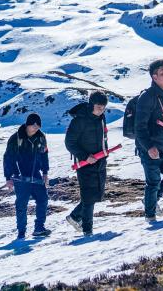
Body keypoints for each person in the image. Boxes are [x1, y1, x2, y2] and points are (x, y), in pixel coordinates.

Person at [134, 59, 163, 221]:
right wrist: (149, 147)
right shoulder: (147, 97)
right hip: (149, 148)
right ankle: (150, 218)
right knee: (153, 182)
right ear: (154, 77)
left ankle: (151, 200)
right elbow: (139, 127)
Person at [64, 91, 110, 236]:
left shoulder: (102, 118)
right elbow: (69, 143)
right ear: (91, 105)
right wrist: (85, 156)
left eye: (103, 107)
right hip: (84, 164)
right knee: (88, 196)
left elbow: (104, 138)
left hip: (100, 161)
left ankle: (75, 216)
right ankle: (87, 231)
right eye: (98, 107)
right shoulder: (79, 120)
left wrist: (105, 153)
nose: (101, 110)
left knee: (96, 194)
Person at [3, 112, 51, 240]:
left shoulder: (41, 137)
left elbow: (44, 155)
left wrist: (45, 172)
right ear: (27, 124)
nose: (36, 128)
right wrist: (8, 177)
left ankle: (39, 228)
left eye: (38, 126)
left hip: (36, 174)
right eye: (33, 125)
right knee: (21, 205)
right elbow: (8, 158)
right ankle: (21, 232)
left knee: (43, 199)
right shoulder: (16, 138)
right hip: (20, 176)